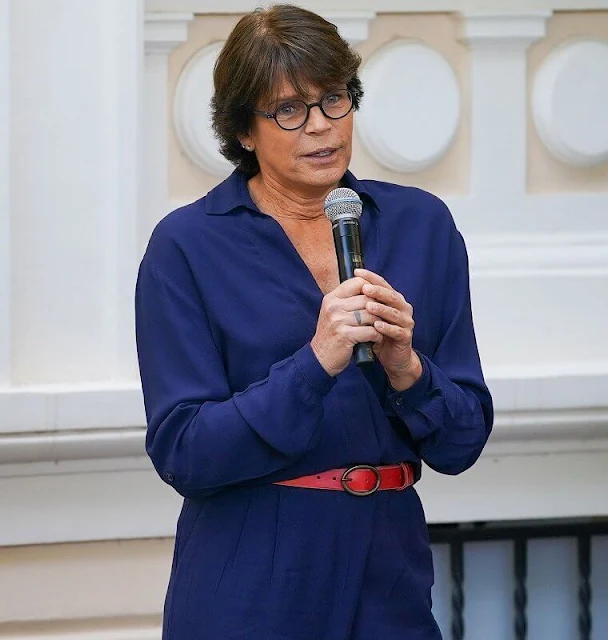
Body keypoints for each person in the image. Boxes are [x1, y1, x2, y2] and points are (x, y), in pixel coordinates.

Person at [135, 4, 493, 639]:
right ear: (244, 130)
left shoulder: (423, 226)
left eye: (335, 100)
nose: (322, 128)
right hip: (251, 580)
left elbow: (462, 444)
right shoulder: (186, 246)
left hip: (390, 576)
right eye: (289, 111)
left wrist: (408, 369)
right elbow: (184, 451)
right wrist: (315, 363)